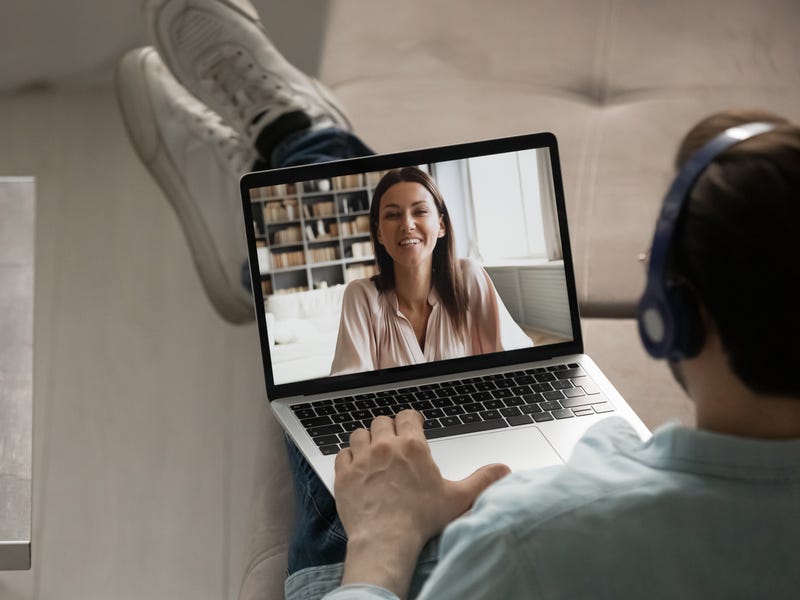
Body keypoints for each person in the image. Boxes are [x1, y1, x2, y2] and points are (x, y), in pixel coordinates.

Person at [115, 2, 800, 599]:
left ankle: (292, 150)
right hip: (586, 480)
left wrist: (382, 540)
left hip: (429, 558)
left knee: (359, 425)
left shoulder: (519, 541)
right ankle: (286, 160)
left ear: (671, 316)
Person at [330, 166, 532, 376]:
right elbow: (350, 387)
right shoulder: (361, 296)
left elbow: (518, 360)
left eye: (420, 211)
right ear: (379, 233)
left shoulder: (468, 277)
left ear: (441, 225)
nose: (407, 224)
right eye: (392, 215)